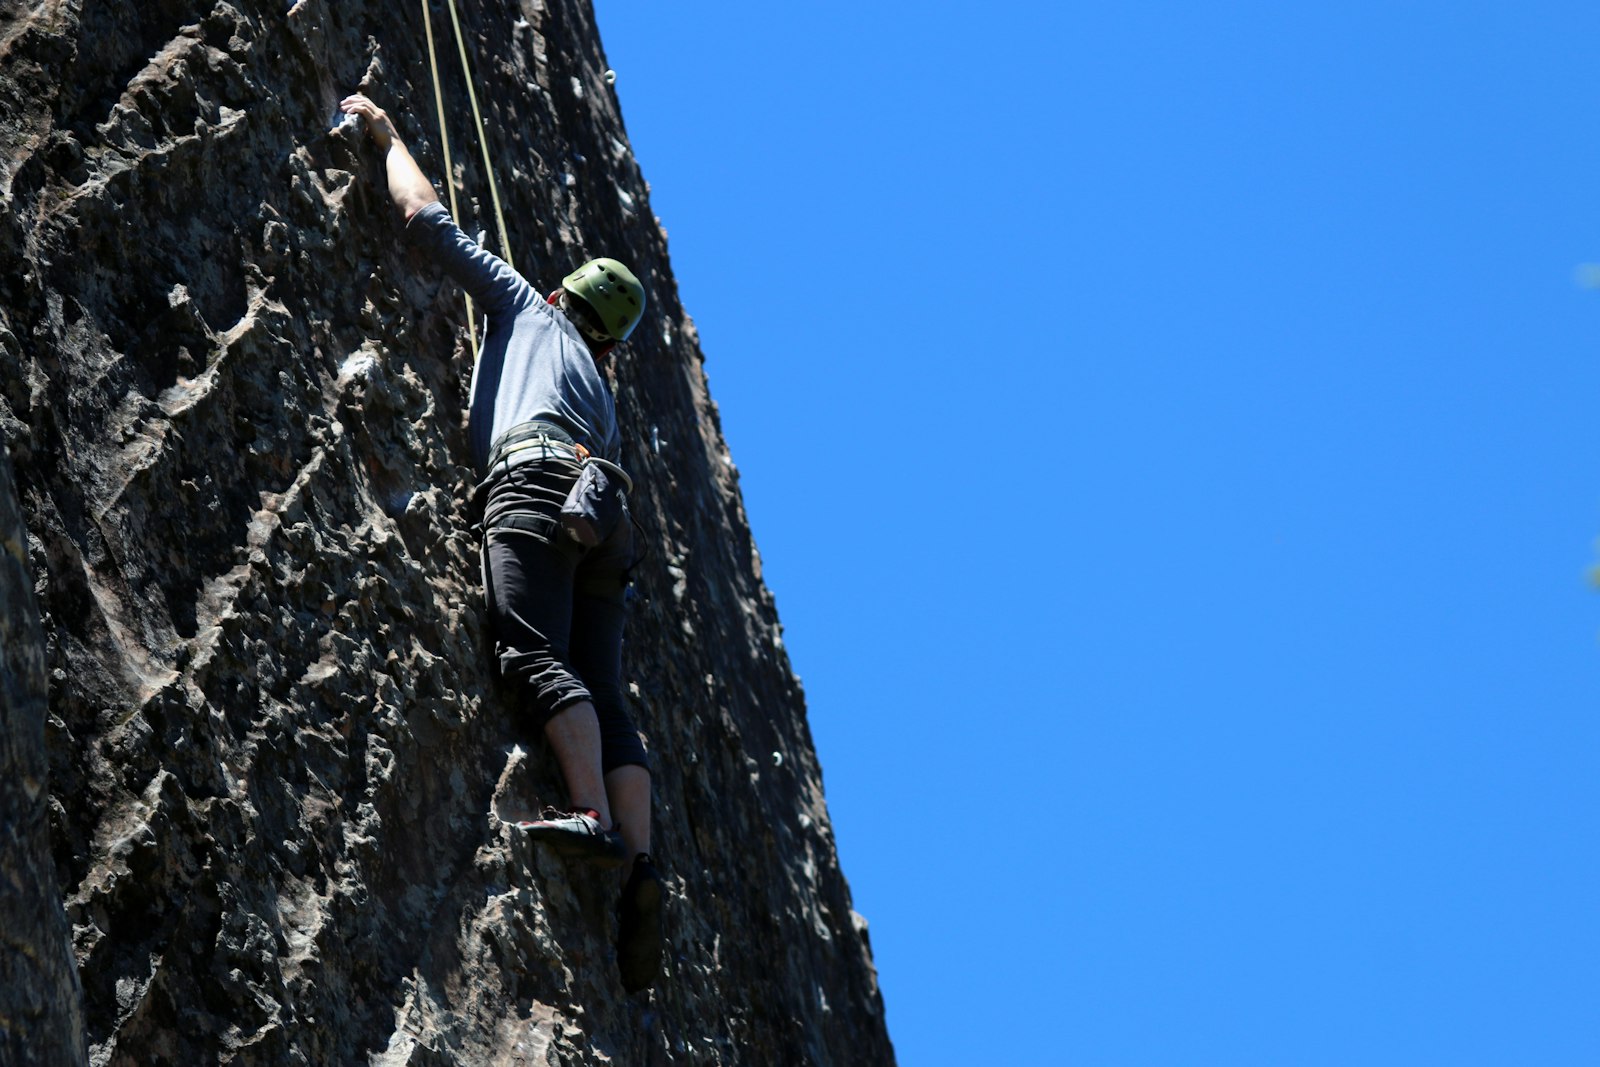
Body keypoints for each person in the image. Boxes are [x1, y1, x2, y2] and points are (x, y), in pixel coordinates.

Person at [339, 92, 662, 993]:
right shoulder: (603, 392)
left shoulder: (529, 308)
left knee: (529, 648)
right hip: (606, 514)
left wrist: (387, 135)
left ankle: (591, 814)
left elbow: (425, 221)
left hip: (536, 485)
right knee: (607, 685)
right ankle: (642, 861)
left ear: (566, 296)